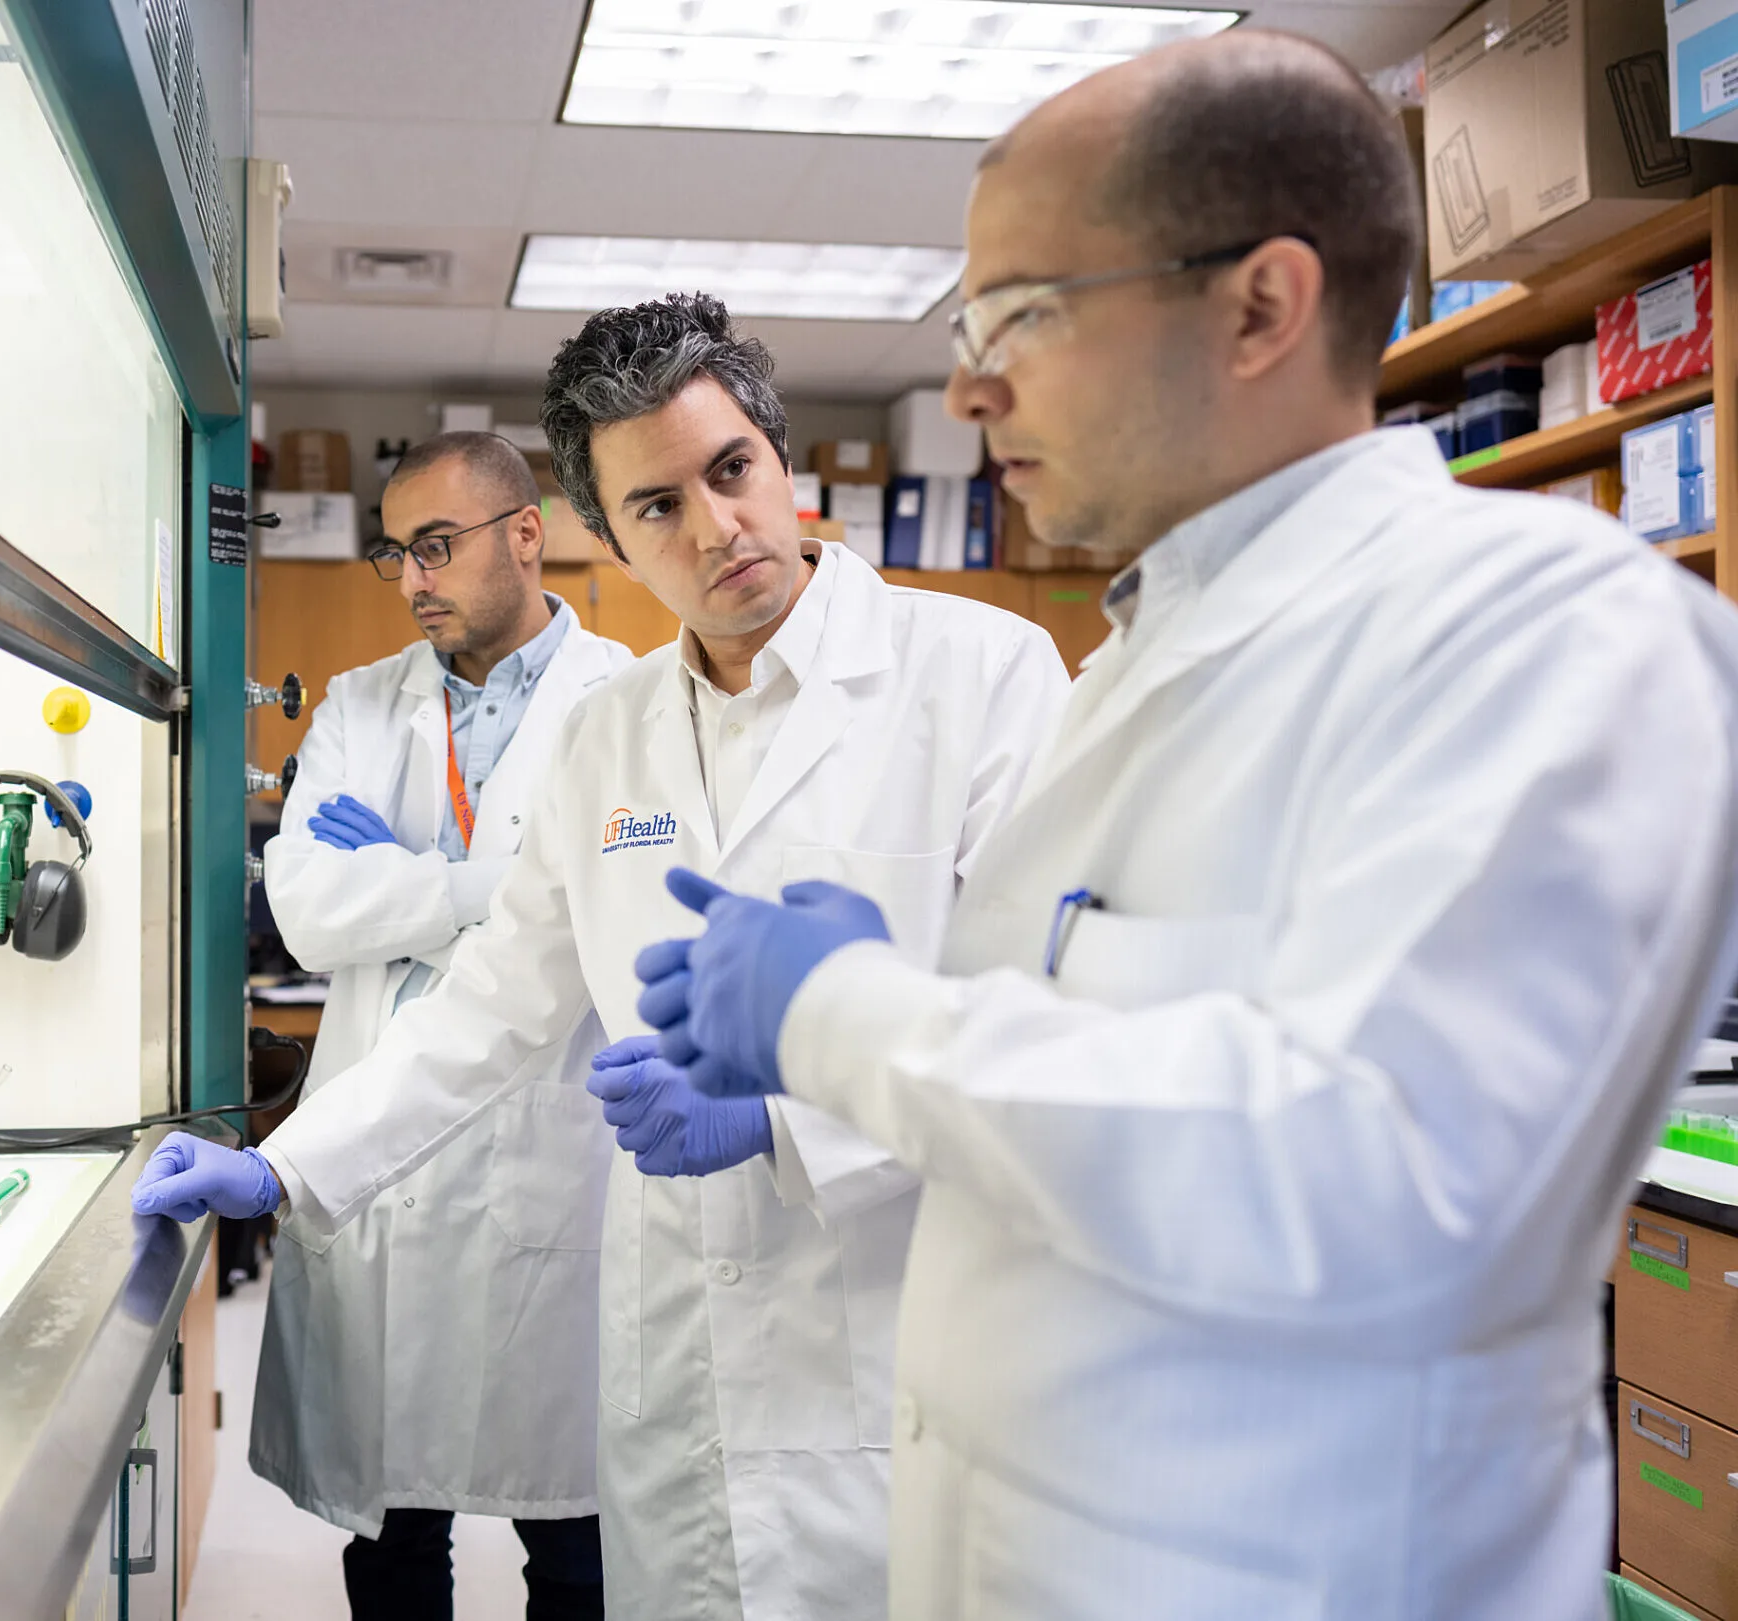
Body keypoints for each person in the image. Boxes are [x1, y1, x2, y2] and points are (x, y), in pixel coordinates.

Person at [634, 31, 1738, 1621]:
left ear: (1260, 305)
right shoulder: (1129, 669)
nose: (966, 385)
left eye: (1018, 313)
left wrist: (842, 1014)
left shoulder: (1556, 641)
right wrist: (906, 1003)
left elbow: (1376, 1174)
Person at [137, 294, 1069, 1618]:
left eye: (730, 470)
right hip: (674, 1376)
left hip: (900, 1366)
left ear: (778, 455)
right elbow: (491, 1013)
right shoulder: (608, 737)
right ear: (604, 535)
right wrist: (282, 1167)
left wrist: (788, 1114)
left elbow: (1045, 1026)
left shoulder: (984, 674)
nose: (715, 529)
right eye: (655, 508)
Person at [252, 431, 633, 1620]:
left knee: (573, 1537)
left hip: (558, 1157)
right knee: (394, 1530)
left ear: (527, 534)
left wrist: (414, 881)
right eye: (396, 553)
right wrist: (496, 885)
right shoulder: (365, 706)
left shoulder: (628, 702)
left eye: (436, 546)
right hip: (382, 1165)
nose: (413, 578)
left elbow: (594, 923)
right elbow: (308, 910)